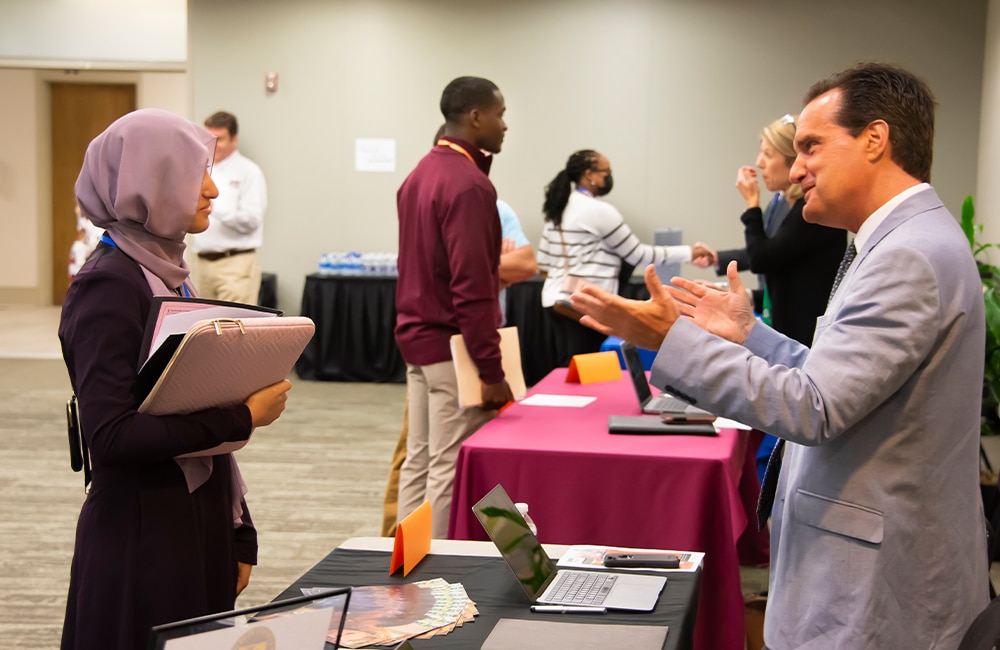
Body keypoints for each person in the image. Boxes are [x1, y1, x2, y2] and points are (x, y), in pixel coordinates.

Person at [570, 63, 988, 647]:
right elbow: (840, 380)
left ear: (875, 139)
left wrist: (673, 341)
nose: (795, 169)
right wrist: (750, 336)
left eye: (811, 147)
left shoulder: (907, 256)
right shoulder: (903, 241)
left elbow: (813, 409)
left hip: (877, 588)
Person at [59, 109, 292, 650]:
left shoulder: (164, 272)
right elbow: (111, 437)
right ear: (151, 184)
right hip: (143, 536)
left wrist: (239, 531)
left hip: (191, 519)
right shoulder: (108, 287)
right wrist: (243, 416)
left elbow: (193, 406)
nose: (212, 190)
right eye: (196, 175)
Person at [394, 76, 515, 538]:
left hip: (418, 341)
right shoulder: (469, 185)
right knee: (447, 466)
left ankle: (406, 566)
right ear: (476, 117)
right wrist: (490, 369)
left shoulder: (421, 173)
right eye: (500, 115)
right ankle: (429, 581)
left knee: (420, 461)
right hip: (452, 348)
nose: (505, 126)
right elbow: (472, 286)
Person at [701, 114, 847, 481]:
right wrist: (721, 258)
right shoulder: (783, 204)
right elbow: (772, 252)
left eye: (768, 154)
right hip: (783, 321)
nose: (760, 163)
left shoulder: (811, 213)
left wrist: (750, 205)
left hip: (802, 334)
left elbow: (766, 254)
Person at [380, 194, 536, 537]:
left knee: (427, 459)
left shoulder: (492, 205)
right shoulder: (445, 200)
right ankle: (419, 559)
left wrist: (478, 270)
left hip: (464, 342)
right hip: (457, 348)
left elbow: (526, 264)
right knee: (435, 460)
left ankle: (409, 558)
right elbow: (449, 278)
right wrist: (493, 267)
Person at [535, 149, 712, 365]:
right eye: (605, 172)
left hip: (554, 302)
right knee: (589, 370)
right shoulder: (599, 211)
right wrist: (689, 252)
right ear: (589, 174)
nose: (608, 177)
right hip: (586, 302)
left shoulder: (557, 208)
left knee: (568, 368)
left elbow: (543, 265)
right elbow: (639, 254)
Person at [189, 110, 267, 304]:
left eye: (220, 139)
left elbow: (252, 220)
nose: (213, 144)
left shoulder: (249, 171)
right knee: (202, 326)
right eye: (209, 138)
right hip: (202, 263)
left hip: (235, 265)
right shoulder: (200, 167)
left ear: (234, 139)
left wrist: (213, 208)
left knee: (233, 328)